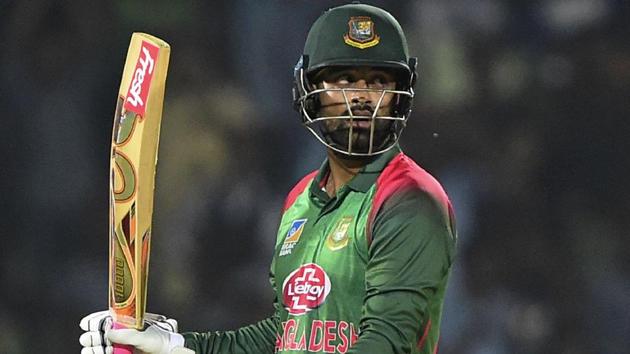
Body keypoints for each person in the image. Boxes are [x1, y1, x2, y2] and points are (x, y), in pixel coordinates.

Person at [80, 3, 457, 354]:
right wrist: (176, 345)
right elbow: (284, 334)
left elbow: (387, 343)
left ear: (401, 95)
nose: (361, 97)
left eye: (378, 81)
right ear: (309, 91)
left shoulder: (410, 199)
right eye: (343, 79)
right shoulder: (301, 199)